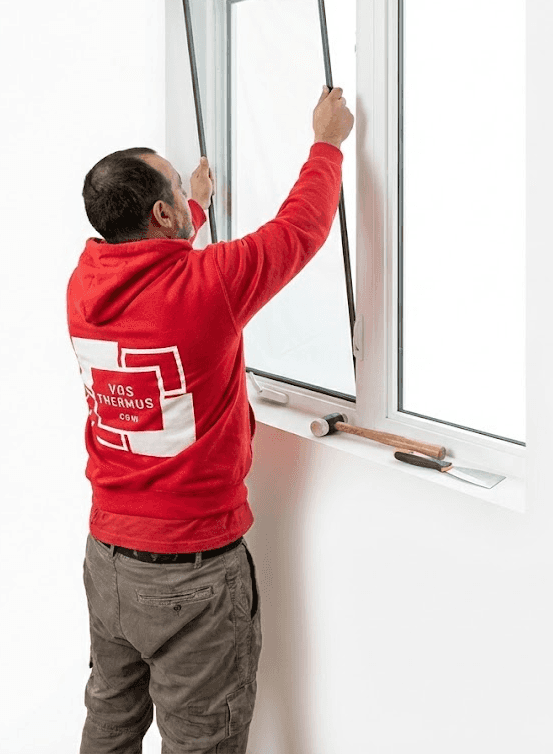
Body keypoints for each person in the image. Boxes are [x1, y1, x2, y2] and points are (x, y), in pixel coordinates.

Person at [68, 85, 354, 754]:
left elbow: (152, 257)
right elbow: (299, 231)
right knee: (202, 743)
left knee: (109, 723)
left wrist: (191, 207)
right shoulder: (209, 287)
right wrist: (325, 144)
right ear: (161, 212)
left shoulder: (84, 283)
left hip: (108, 560)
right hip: (189, 575)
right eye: (173, 186)